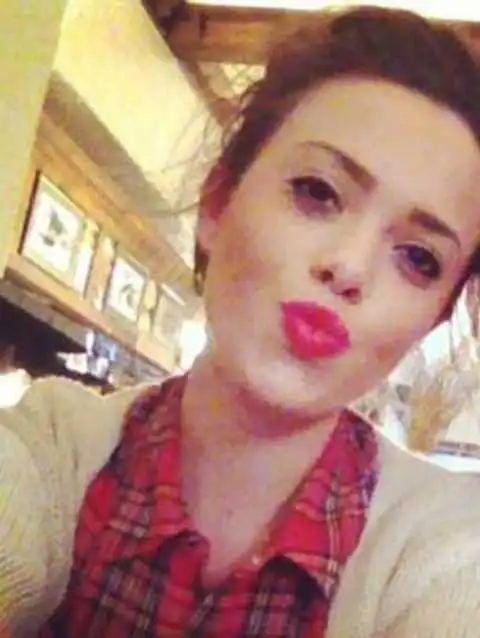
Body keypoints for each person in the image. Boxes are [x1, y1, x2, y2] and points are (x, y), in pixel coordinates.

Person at [3, 6, 480, 637]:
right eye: (317, 192)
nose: (349, 267)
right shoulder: (50, 444)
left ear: (434, 319)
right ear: (218, 201)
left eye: (419, 258)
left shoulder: (445, 547)